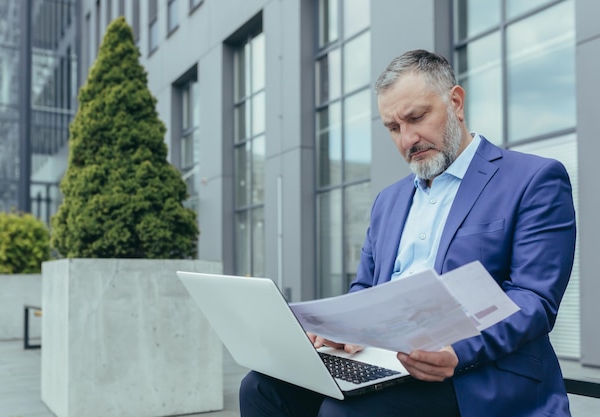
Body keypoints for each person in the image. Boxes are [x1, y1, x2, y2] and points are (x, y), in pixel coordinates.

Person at [239, 49, 576, 417]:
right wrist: (343, 331)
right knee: (260, 387)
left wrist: (458, 350)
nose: (407, 139)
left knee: (344, 414)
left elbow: (533, 299)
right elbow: (364, 289)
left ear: (456, 102)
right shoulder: (388, 201)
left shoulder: (533, 180)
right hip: (384, 364)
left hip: (476, 374)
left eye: (416, 118)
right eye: (393, 128)